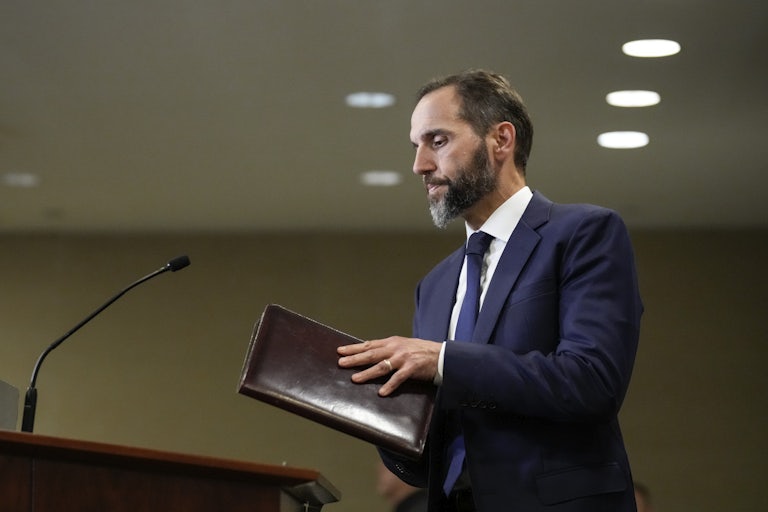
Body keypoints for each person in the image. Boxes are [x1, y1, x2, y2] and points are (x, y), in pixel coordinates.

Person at [337, 69, 643, 512]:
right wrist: (371, 407)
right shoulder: (435, 285)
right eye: (417, 147)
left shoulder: (584, 233)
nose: (420, 165)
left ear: (501, 140)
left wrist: (442, 360)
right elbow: (435, 454)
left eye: (437, 141)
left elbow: (592, 381)